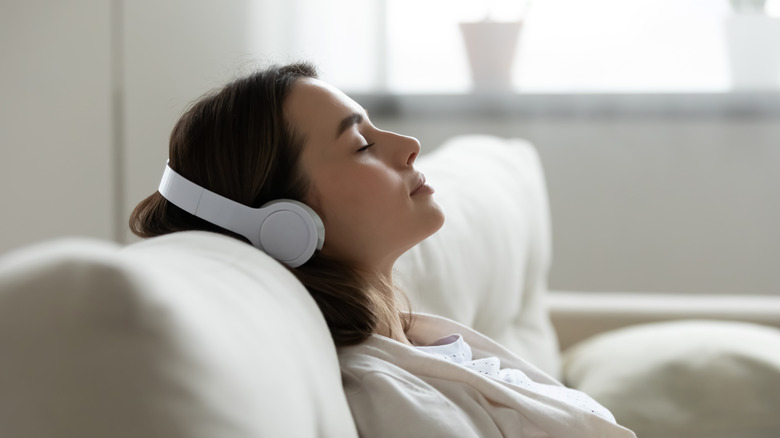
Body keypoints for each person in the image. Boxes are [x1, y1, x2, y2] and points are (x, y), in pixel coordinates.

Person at [130, 62, 636, 437]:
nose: (408, 143)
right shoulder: (392, 403)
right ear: (285, 225)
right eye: (362, 145)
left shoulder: (421, 342)